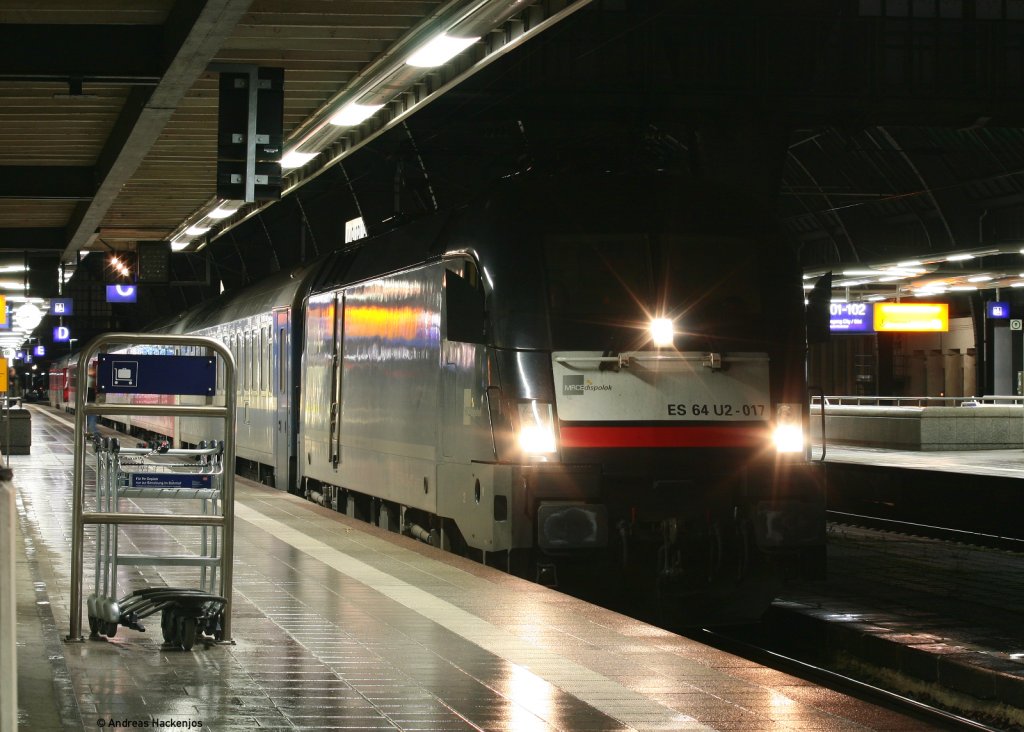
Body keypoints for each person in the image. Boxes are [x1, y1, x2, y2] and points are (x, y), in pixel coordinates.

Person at [86, 361, 98, 437]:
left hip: (89, 401)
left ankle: (92, 431)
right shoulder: (90, 379)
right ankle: (94, 432)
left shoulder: (89, 379)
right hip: (90, 402)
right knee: (91, 417)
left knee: (90, 417)